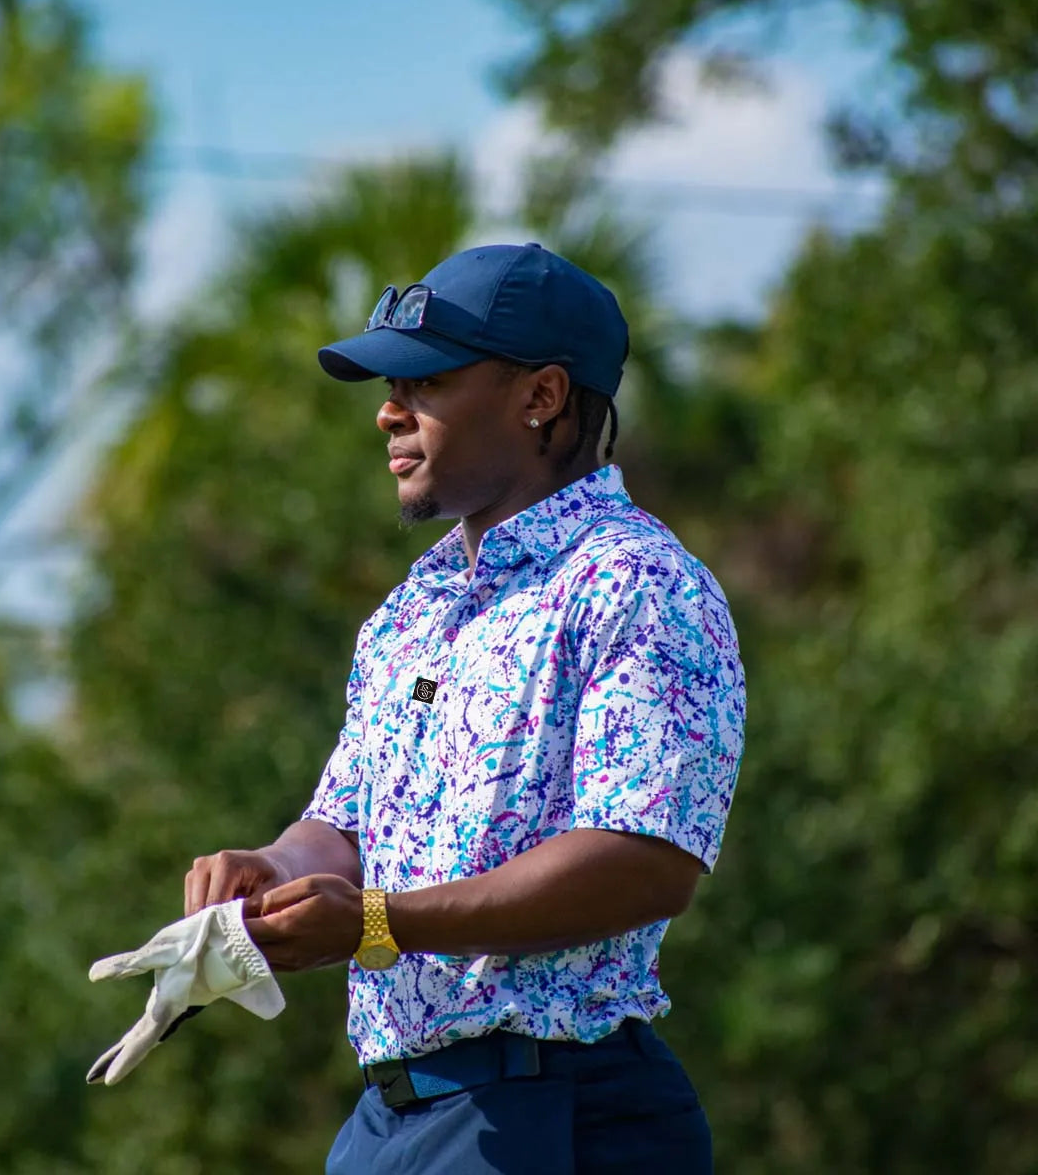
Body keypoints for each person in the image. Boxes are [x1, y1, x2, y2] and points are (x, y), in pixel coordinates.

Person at [183, 242, 746, 1174]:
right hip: (391, 1123)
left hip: (557, 1112)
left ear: (542, 397)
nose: (387, 411)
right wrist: (272, 871)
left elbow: (644, 863)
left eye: (425, 381)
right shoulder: (414, 607)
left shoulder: (638, 583)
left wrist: (371, 922)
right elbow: (346, 822)